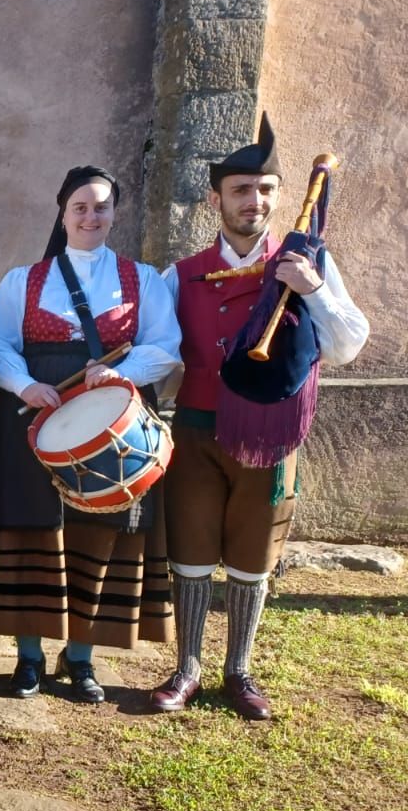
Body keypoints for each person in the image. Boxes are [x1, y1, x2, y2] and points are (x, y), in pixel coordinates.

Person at [153, 117, 369, 720]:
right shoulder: (182, 273)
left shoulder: (307, 261)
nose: (256, 201)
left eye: (267, 190)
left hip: (271, 437)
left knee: (253, 557)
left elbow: (350, 342)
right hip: (196, 430)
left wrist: (313, 288)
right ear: (217, 198)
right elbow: (161, 353)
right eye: (243, 190)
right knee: (191, 553)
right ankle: (188, 667)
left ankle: (238, 671)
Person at [0, 166, 182, 702]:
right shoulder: (23, 280)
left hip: (111, 424)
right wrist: (24, 386)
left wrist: (122, 374)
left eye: (101, 207)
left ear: (115, 212)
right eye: (80, 208)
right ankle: (28, 658)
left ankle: (82, 656)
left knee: (99, 533)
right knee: (35, 530)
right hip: (32, 425)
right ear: (63, 213)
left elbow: (164, 346)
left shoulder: (143, 279)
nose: (91, 217)